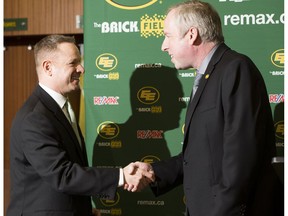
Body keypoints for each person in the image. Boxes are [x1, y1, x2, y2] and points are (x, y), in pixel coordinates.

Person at [130, 1, 283, 215]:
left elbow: (240, 161)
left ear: (191, 35)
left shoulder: (235, 70)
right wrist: (155, 172)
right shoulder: (207, 76)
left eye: (168, 36)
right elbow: (202, 157)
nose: (163, 46)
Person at [6, 34, 154, 216]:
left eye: (80, 62)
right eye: (73, 63)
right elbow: (62, 175)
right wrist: (121, 176)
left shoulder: (60, 108)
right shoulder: (35, 118)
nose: (81, 69)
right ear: (48, 67)